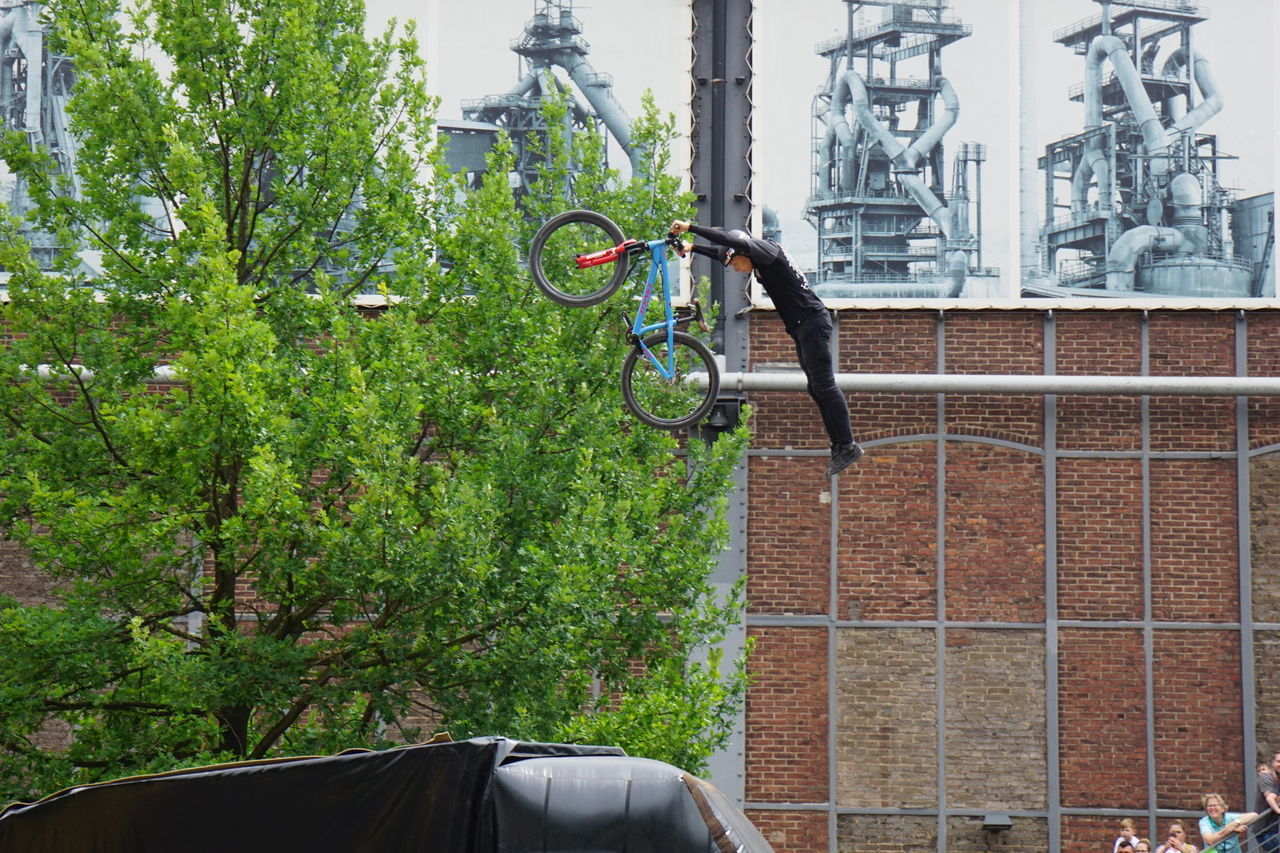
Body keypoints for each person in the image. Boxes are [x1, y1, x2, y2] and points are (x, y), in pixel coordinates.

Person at [670, 220, 863, 476]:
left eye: (736, 263)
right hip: (802, 327)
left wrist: (690, 227)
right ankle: (840, 446)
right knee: (815, 386)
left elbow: (733, 243)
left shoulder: (767, 250)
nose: (737, 270)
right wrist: (692, 247)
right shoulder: (755, 258)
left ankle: (847, 445)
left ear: (744, 252)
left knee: (824, 384)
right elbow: (722, 252)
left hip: (812, 322)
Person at [1258, 752, 1280, 853]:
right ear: (1272, 763)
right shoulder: (1265, 777)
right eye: (1278, 761)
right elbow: (1271, 798)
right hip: (1265, 830)